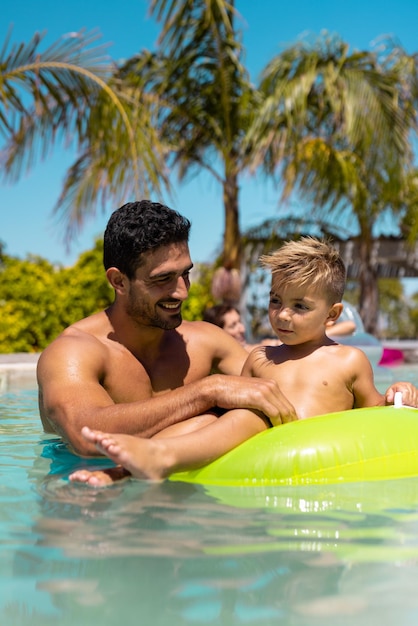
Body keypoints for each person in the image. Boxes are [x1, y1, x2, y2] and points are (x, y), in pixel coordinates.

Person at [69, 236, 418, 485]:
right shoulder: (261, 357)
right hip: (259, 453)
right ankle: (128, 467)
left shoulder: (348, 360)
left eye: (300, 306)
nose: (282, 315)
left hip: (311, 454)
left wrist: (397, 397)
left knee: (252, 416)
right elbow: (221, 421)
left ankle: (161, 458)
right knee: (211, 416)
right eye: (275, 300)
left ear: (332, 314)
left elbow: (374, 414)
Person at [37, 200, 296, 458]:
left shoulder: (206, 343)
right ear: (119, 281)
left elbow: (284, 395)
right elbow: (86, 437)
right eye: (163, 279)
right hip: (92, 491)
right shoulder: (73, 352)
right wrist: (208, 392)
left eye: (185, 274)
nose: (182, 292)